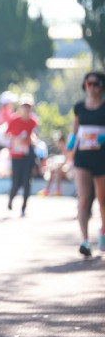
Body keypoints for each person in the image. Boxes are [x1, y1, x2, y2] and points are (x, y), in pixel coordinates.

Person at [67, 70, 105, 256]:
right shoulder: (79, 107)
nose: (91, 87)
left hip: (102, 158)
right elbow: (75, 129)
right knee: (83, 199)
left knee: (103, 200)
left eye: (95, 83)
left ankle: (103, 231)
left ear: (102, 86)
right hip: (82, 157)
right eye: (88, 83)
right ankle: (84, 241)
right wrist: (71, 143)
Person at [5, 93, 38, 216]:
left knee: (27, 182)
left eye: (28, 106)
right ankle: (11, 199)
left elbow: (33, 135)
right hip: (16, 155)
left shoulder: (33, 121)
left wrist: (33, 140)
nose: (26, 108)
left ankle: (24, 207)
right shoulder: (14, 120)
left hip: (27, 156)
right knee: (16, 182)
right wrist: (16, 139)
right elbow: (6, 135)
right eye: (24, 106)